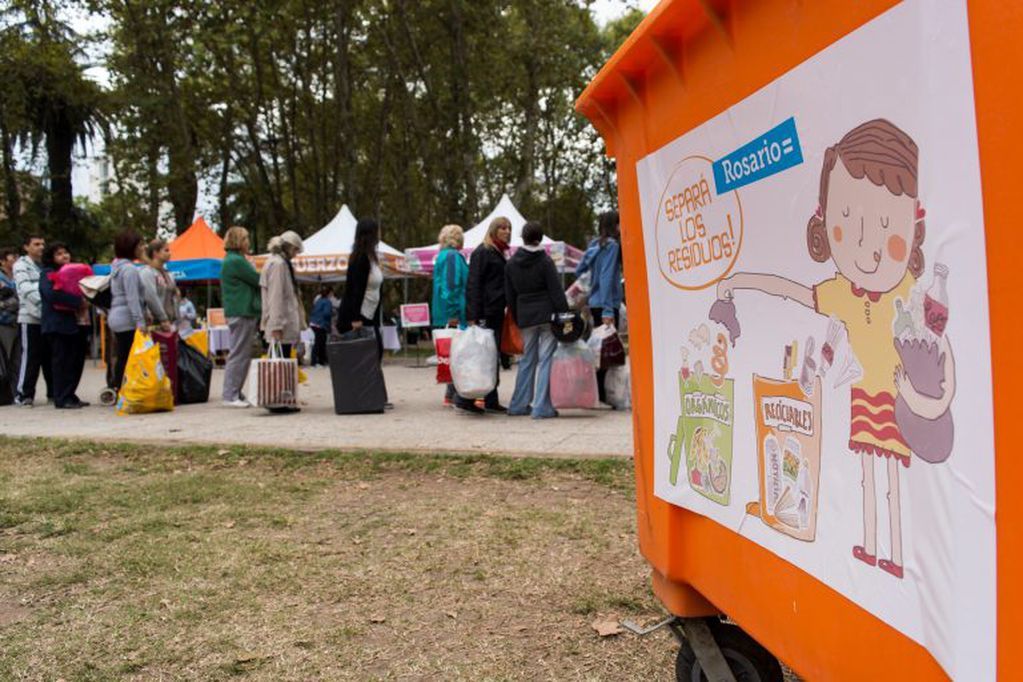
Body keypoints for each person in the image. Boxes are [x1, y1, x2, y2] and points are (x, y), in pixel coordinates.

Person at [717, 119, 955, 580]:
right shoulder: (843, 293)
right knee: (868, 472)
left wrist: (933, 400)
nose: (868, 249)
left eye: (887, 229)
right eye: (850, 228)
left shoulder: (911, 291)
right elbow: (789, 290)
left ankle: (896, 553)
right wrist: (737, 281)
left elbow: (943, 355)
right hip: (863, 397)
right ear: (826, 226)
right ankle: (870, 546)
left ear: (913, 230)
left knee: (892, 481)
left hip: (900, 401)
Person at [505, 222, 569, 419]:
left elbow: (510, 294)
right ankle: (541, 406)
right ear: (540, 238)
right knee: (546, 359)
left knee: (527, 360)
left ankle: (518, 404)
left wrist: (517, 316)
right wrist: (564, 314)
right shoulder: (545, 261)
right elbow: (556, 291)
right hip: (547, 314)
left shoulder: (511, 263)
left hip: (525, 315)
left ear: (522, 238)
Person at [460, 216, 511, 415]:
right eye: (502, 228)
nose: (507, 231)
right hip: (484, 312)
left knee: (491, 356)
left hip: (496, 311)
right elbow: (473, 284)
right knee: (479, 357)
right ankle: (465, 398)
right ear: (493, 230)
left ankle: (491, 398)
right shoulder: (483, 252)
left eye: (509, 228)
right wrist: (472, 315)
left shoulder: (499, 253)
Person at [338, 219, 390, 406]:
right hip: (359, 315)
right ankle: (367, 395)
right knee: (368, 354)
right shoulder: (360, 258)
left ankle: (374, 394)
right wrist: (355, 318)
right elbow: (354, 290)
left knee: (376, 352)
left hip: (371, 313)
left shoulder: (371, 257)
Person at [576, 210, 623, 405]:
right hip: (606, 303)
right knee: (607, 351)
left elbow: (580, 270)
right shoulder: (611, 246)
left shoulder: (594, 245)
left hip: (595, 302)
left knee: (599, 350)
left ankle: (595, 392)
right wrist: (607, 310)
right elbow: (606, 275)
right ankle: (604, 393)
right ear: (614, 225)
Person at [38, 242, 88, 409]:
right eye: (59, 254)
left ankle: (70, 394)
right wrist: (77, 302)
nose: (64, 256)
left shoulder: (74, 272)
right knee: (62, 361)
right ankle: (61, 397)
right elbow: (52, 295)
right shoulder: (47, 273)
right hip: (57, 324)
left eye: (66, 252)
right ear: (51, 257)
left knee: (75, 361)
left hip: (76, 323)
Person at [220, 226, 261, 407]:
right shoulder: (237, 261)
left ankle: (235, 391)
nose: (248, 242)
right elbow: (257, 279)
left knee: (242, 353)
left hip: (239, 311)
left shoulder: (233, 260)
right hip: (241, 311)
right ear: (238, 241)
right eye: (245, 239)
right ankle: (230, 395)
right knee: (239, 354)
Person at [431, 224, 468, 407]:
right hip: (455, 313)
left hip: (444, 311)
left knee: (451, 353)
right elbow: (452, 285)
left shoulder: (442, 256)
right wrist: (453, 314)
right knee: (458, 354)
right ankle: (456, 395)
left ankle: (450, 393)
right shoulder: (453, 256)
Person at [13, 233, 52, 406]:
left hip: (46, 318)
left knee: (49, 358)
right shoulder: (21, 265)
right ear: (26, 247)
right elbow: (25, 289)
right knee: (30, 357)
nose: (41, 247)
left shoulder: (44, 265)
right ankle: (24, 394)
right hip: (29, 318)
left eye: (42, 244)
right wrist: (47, 300)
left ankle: (53, 392)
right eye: (36, 244)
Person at [107, 230, 147, 395]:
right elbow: (133, 298)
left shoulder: (117, 267)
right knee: (127, 355)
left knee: (122, 353)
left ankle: (117, 386)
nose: (143, 248)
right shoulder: (129, 269)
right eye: (140, 245)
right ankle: (120, 388)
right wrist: (140, 321)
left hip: (116, 315)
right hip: (126, 317)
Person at [260, 231, 305, 360]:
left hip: (283, 326)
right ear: (290, 248)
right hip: (281, 328)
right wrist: (276, 326)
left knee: (281, 371)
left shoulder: (279, 263)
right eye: (296, 250)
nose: (296, 255)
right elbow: (275, 297)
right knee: (279, 372)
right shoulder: (278, 265)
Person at [140, 239, 177, 331]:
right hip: (155, 324)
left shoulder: (168, 275)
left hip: (170, 323)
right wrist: (163, 318)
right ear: (155, 253)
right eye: (166, 250)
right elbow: (150, 297)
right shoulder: (147, 272)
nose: (169, 253)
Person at [0, 247, 19, 361]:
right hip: (3, 322)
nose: (15, 260)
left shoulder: (17, 277)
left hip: (17, 322)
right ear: (2, 261)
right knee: (5, 358)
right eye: (12, 257)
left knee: (16, 360)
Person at [309, 285, 333, 367]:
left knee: (319, 342)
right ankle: (316, 361)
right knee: (320, 343)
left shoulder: (319, 300)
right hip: (321, 324)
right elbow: (327, 313)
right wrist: (332, 313)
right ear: (330, 293)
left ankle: (320, 360)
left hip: (313, 323)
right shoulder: (327, 301)